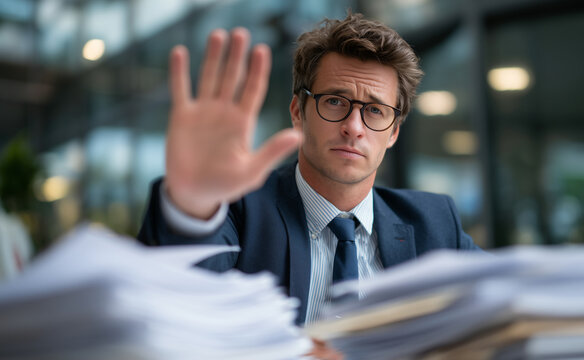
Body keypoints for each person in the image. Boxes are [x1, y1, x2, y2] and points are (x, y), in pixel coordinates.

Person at [138, 12, 479, 328]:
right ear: (298, 112)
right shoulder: (238, 208)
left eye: (374, 110)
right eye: (334, 101)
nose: (354, 127)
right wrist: (193, 205)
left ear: (393, 132)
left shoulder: (434, 225)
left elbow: (505, 311)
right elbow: (182, 288)